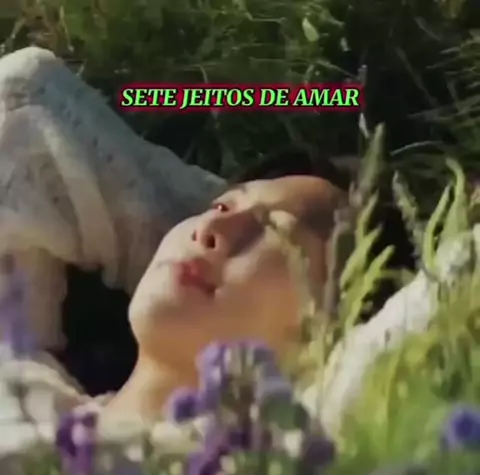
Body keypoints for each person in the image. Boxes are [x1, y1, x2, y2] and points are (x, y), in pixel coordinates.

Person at [0, 47, 413, 426]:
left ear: (330, 336)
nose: (210, 229)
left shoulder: (264, 467)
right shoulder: (22, 384)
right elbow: (25, 90)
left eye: (274, 229)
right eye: (221, 207)